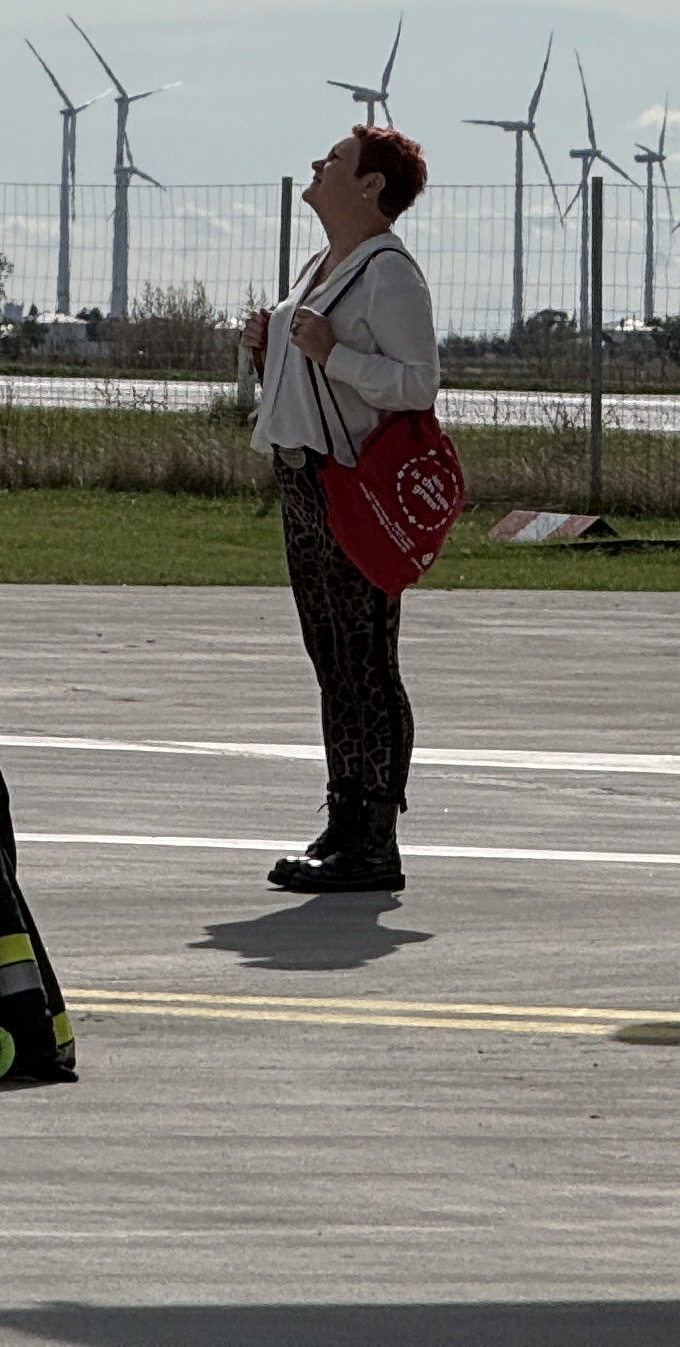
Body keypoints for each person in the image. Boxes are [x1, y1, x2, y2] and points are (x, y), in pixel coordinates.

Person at [243, 123, 440, 896]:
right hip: (303, 480)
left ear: (371, 187)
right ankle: (345, 815)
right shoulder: (321, 267)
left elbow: (417, 384)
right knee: (332, 658)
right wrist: (269, 353)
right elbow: (304, 380)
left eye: (335, 160)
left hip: (352, 485)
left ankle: (374, 837)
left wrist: (332, 352)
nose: (317, 166)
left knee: (363, 659)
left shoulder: (388, 274)